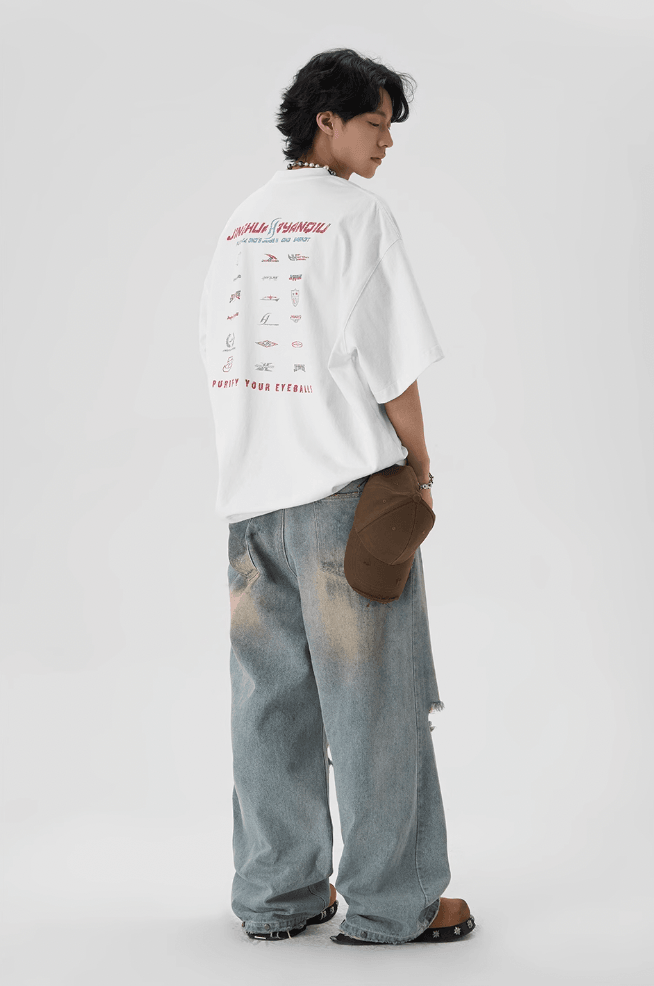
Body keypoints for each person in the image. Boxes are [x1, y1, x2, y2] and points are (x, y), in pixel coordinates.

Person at [199, 47, 475, 946]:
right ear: (327, 119)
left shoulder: (242, 221)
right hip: (343, 498)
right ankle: (395, 904)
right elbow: (392, 363)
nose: (387, 141)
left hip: (252, 500)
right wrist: (420, 465)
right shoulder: (358, 216)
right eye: (375, 122)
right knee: (377, 704)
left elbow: (219, 354)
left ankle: (278, 894)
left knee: (269, 702)